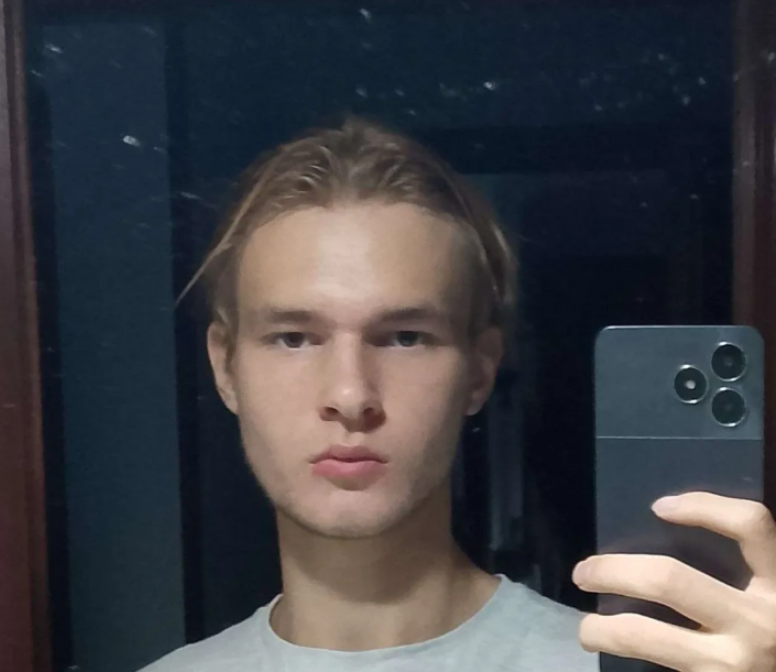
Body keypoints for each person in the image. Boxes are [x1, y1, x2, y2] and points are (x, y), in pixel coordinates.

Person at [142, 118, 776, 672]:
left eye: (406, 337)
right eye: (293, 338)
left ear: (478, 371)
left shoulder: (640, 667)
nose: (350, 395)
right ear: (225, 366)